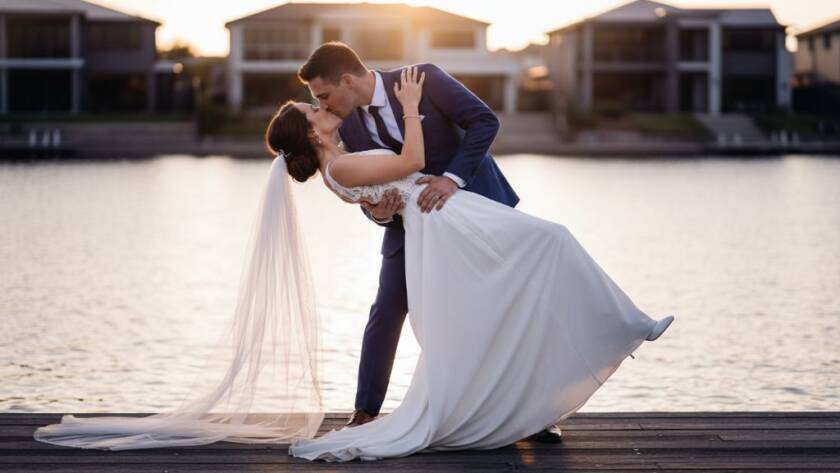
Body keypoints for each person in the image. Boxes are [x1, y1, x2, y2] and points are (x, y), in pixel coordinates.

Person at [265, 65, 674, 461]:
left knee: (524, 287)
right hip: (425, 226)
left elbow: (483, 122)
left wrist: (450, 177)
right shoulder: (344, 135)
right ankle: (367, 411)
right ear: (310, 131)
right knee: (393, 310)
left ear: (347, 80)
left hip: (463, 202)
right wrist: (382, 211)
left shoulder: (418, 79)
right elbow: (382, 185)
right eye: (314, 106)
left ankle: (539, 411)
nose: (321, 105)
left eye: (320, 96)